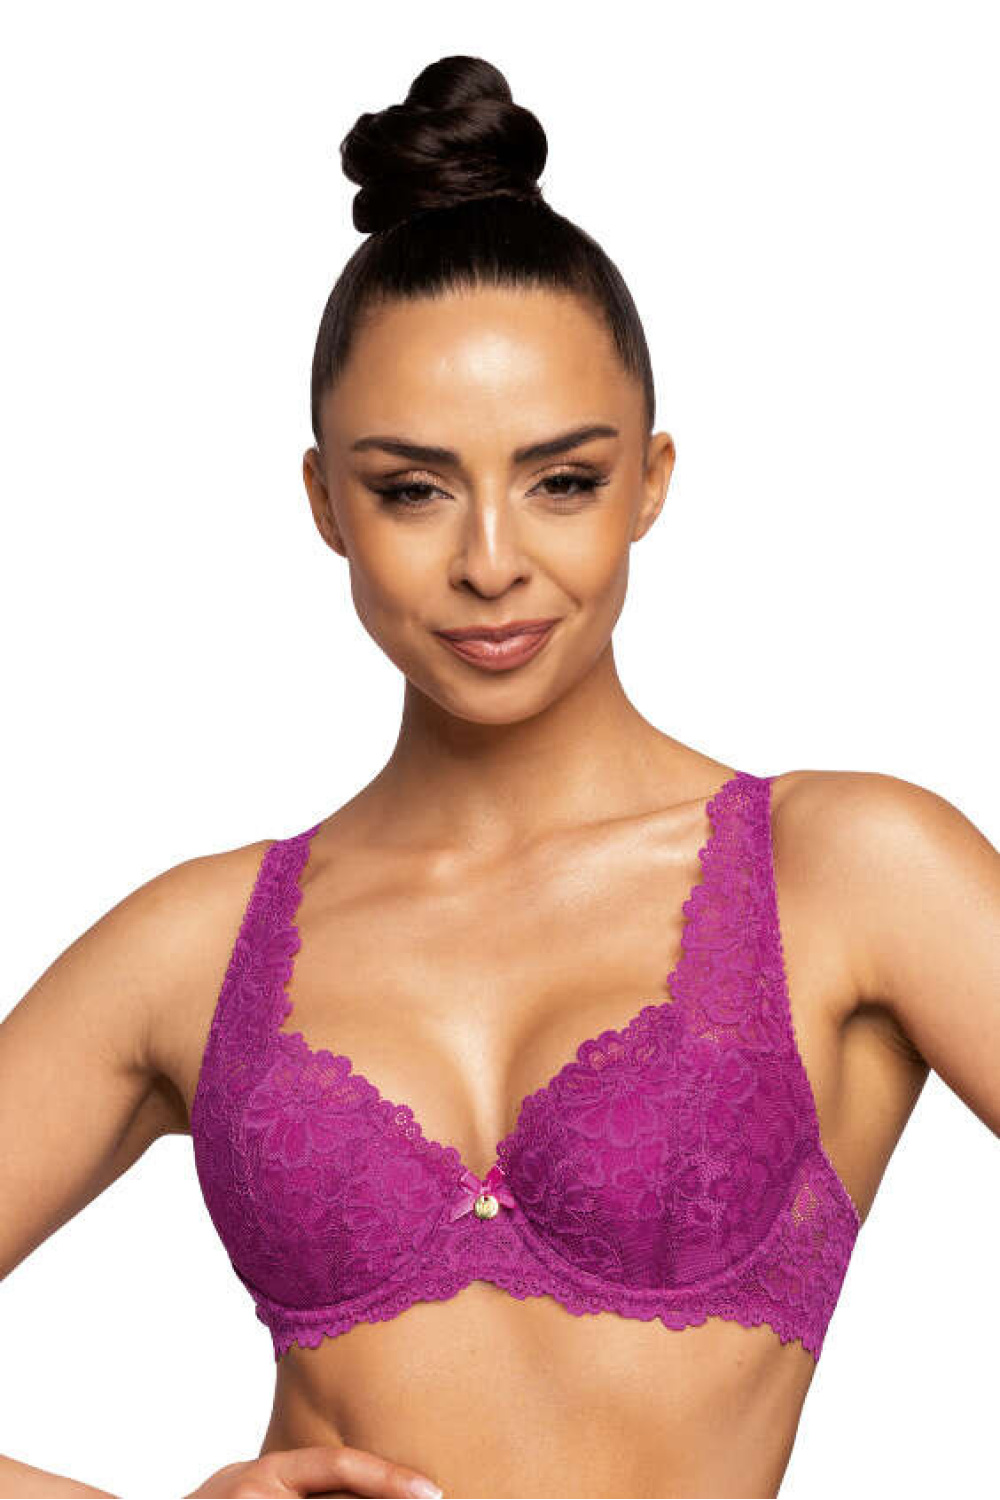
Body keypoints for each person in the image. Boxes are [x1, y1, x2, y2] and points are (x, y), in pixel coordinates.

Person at [2, 52, 998, 1500]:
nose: (488, 561)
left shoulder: (847, 870)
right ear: (325, 502)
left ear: (651, 479)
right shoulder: (195, 948)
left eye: (562, 480)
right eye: (412, 488)